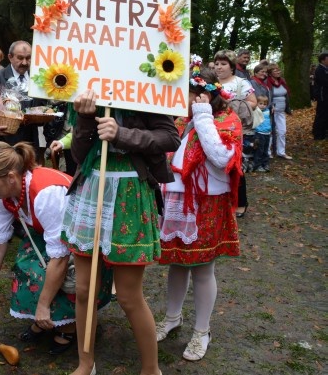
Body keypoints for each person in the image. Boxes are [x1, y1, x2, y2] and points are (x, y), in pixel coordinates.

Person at [61, 89, 180, 375]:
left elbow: (170, 137)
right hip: (92, 189)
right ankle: (85, 363)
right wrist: (86, 118)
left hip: (130, 194)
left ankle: (151, 370)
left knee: (128, 295)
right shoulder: (85, 91)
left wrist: (122, 134)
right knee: (84, 290)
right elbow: (78, 154)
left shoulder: (142, 88)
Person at [0, 141, 114, 355]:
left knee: (61, 275)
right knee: (26, 265)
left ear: (11, 177)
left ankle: (67, 324)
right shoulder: (2, 194)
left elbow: (60, 258)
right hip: (52, 234)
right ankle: (48, 318)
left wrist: (43, 304)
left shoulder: (46, 195)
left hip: (83, 237)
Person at [156, 68, 242, 361]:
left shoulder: (227, 120)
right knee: (177, 263)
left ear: (203, 96)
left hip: (208, 201)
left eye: (187, 94)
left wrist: (203, 116)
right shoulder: (182, 119)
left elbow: (220, 158)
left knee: (203, 268)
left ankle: (202, 331)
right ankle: (172, 317)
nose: (180, 99)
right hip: (176, 199)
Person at [214, 50, 256, 218]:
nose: (219, 67)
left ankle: (241, 202)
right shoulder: (209, 82)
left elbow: (253, 102)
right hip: (212, 128)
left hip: (233, 129)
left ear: (231, 67)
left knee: (234, 164)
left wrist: (235, 105)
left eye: (223, 64)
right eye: (217, 64)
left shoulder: (241, 82)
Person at [0, 41, 46, 159]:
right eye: (20, 58)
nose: (24, 62)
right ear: (10, 57)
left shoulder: (38, 77)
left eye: (28, 58)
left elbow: (43, 105)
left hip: (32, 140)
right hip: (6, 140)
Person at [266, 63, 293, 160]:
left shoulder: (282, 81)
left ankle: (281, 152)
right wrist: (269, 105)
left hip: (281, 111)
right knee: (270, 132)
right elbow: (266, 96)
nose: (278, 72)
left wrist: (288, 108)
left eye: (279, 70)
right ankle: (268, 152)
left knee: (282, 131)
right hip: (271, 111)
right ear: (270, 73)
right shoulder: (267, 82)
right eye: (275, 70)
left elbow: (286, 96)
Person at [253, 96, 272, 172]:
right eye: (260, 103)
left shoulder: (267, 111)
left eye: (264, 104)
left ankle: (265, 164)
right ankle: (257, 165)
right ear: (257, 103)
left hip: (267, 133)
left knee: (266, 150)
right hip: (259, 133)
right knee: (259, 150)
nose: (262, 105)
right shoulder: (256, 111)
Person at [313, 53, 328, 140]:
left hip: (326, 96)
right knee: (321, 115)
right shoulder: (319, 70)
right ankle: (318, 134)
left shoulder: (325, 69)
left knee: (325, 115)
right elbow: (324, 82)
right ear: (323, 60)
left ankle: (324, 132)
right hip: (322, 96)